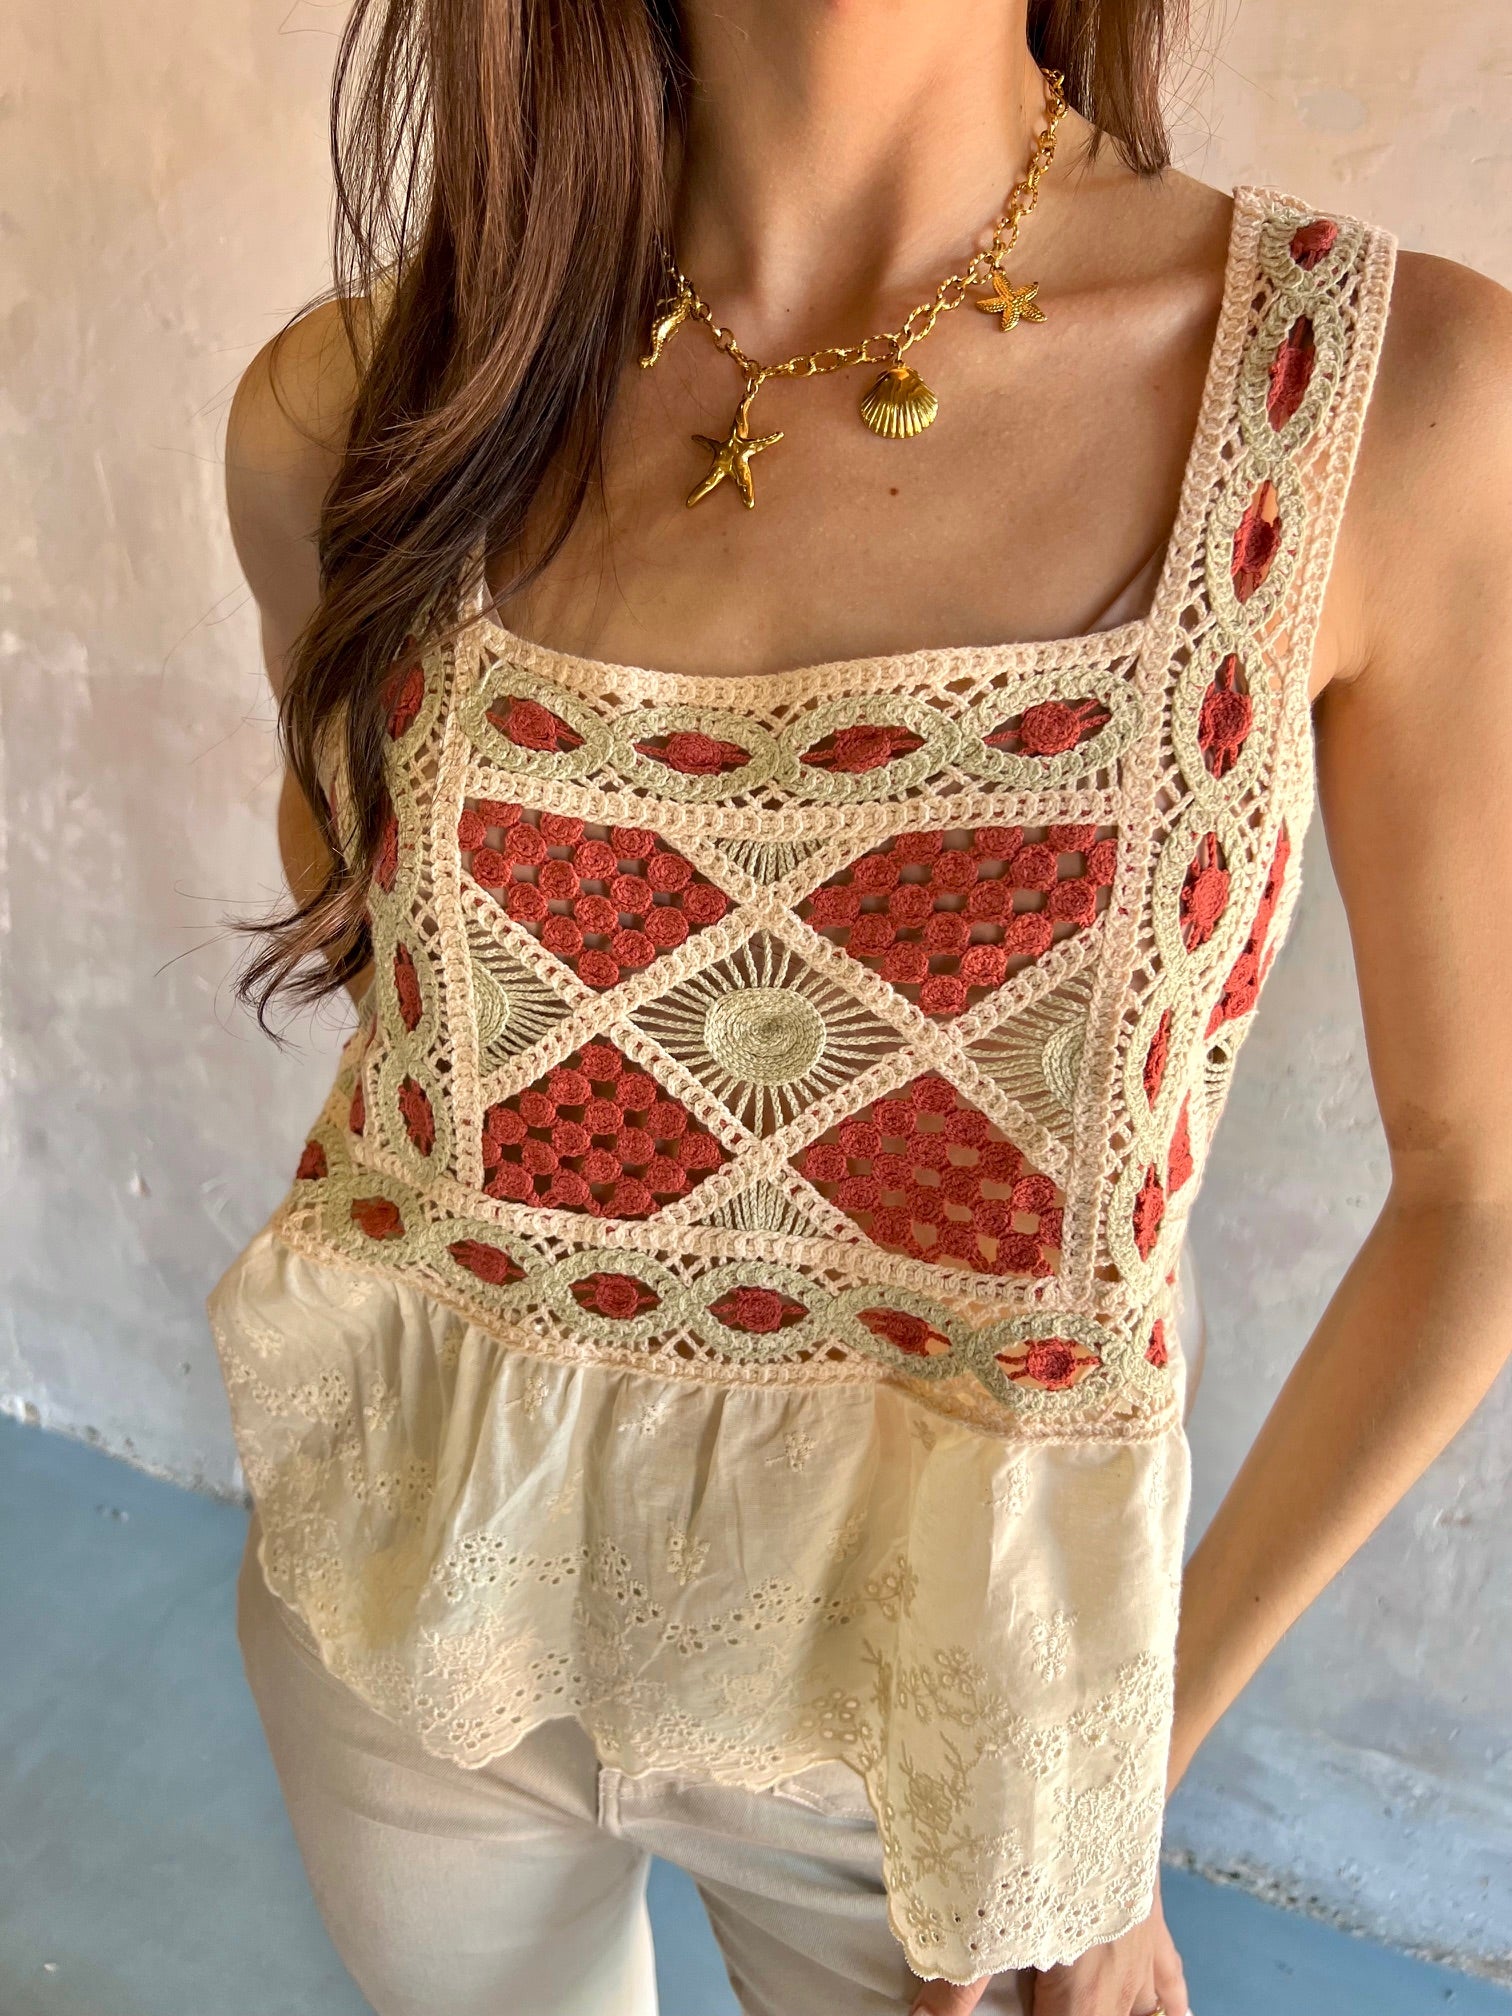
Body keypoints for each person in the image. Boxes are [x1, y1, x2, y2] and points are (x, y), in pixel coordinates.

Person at [213, 3, 1512, 2012]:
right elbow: (395, 987)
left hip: (939, 1741)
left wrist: (1102, 1789)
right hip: (408, 1609)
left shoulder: (1381, 402)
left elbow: (1477, 1190)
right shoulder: (360, 407)